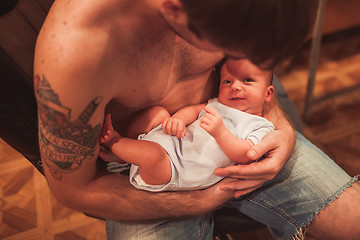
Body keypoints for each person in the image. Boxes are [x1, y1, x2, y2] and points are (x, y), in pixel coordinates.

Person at [33, 0, 360, 239]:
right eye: (230, 47)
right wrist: (196, 199)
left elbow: (253, 77)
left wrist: (282, 130)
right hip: (145, 170)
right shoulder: (75, 51)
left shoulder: (229, 13)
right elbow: (76, 190)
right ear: (174, 9)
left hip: (236, 125)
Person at [99, 58, 275, 192]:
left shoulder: (260, 126)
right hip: (170, 142)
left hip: (173, 169)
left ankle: (115, 141)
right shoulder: (216, 104)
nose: (235, 87)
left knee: (153, 155)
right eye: (227, 82)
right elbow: (192, 111)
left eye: (247, 81)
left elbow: (246, 155)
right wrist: (178, 120)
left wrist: (221, 133)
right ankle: (124, 158)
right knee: (157, 113)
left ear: (268, 93)